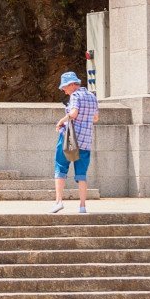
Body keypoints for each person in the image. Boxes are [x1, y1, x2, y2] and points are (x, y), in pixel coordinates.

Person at [53, 70, 100, 214]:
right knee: (81, 174)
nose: (64, 91)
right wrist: (84, 122)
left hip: (70, 138)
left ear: (73, 84)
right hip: (85, 140)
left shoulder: (75, 95)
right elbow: (96, 118)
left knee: (60, 167)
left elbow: (73, 114)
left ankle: (59, 202)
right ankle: (82, 206)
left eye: (65, 87)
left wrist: (61, 121)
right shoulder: (92, 96)